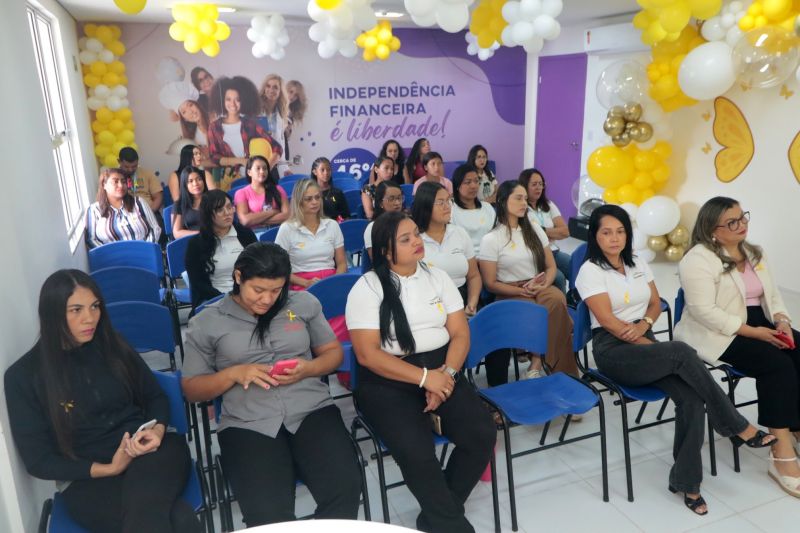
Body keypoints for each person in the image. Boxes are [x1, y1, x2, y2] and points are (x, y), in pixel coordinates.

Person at [576, 204, 777, 515]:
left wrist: (644, 325)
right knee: (682, 352)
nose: (615, 239)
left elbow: (657, 303)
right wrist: (644, 338)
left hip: (646, 342)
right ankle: (735, 425)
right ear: (595, 236)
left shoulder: (637, 261)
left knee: (692, 398)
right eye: (606, 232)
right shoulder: (590, 270)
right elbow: (609, 321)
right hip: (613, 351)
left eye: (620, 231)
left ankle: (687, 482)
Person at [4, 270, 201, 532]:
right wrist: (109, 468)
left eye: (95, 306)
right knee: (180, 518)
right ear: (51, 314)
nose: (90, 318)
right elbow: (39, 460)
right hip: (87, 476)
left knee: (149, 513)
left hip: (151, 453)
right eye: (76, 310)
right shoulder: (23, 376)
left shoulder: (113, 345)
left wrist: (157, 430)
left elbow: (155, 397)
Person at [182, 243, 362, 527]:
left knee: (345, 489)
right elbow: (191, 389)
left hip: (310, 409)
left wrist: (309, 369)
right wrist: (233, 374)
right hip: (248, 421)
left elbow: (334, 354)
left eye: (276, 290)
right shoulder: (207, 322)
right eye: (258, 290)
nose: (267, 299)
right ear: (239, 277)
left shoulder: (303, 304)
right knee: (268, 516)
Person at [345, 211, 496, 533]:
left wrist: (447, 374)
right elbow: (367, 354)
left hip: (443, 369)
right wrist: (427, 379)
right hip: (387, 381)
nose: (417, 241)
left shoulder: (437, 277)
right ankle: (452, 523)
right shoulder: (367, 288)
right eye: (406, 239)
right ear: (386, 251)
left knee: (482, 433)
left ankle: (437, 515)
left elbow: (460, 334)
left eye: (416, 234)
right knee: (417, 452)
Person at [675, 196, 800, 496]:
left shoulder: (754, 252)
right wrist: (754, 333)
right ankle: (780, 452)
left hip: (759, 321)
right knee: (777, 365)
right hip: (718, 332)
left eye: (742, 217)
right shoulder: (697, 259)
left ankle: (795, 424)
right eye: (732, 222)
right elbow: (704, 311)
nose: (742, 225)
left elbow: (772, 296)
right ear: (712, 229)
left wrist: (781, 320)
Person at [478, 181, 576, 385]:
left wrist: (544, 283)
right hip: (508, 290)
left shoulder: (535, 230)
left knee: (557, 298)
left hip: (538, 284)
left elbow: (551, 267)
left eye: (525, 198)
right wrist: (520, 291)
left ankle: (546, 367)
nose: (524, 203)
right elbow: (490, 283)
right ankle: (544, 363)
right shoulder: (492, 238)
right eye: (518, 198)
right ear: (503, 201)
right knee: (535, 311)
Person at [412, 182, 480, 317]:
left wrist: (472, 303)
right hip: (427, 303)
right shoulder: (414, 239)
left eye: (448, 200)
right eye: (440, 202)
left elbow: (474, 276)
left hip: (462, 299)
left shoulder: (459, 233)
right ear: (425, 206)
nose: (447, 206)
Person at [186, 190, 257, 309]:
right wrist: (226, 300)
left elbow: (258, 268)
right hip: (213, 299)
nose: (227, 213)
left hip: (246, 296)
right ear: (208, 214)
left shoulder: (246, 235)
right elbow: (198, 283)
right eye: (220, 210)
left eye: (229, 207)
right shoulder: (196, 244)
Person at [275, 179, 347, 290]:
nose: (314, 202)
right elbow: (278, 269)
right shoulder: (287, 229)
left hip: (331, 280)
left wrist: (334, 283)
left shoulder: (332, 225)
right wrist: (305, 283)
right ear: (299, 201)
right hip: (301, 284)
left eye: (317, 197)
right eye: (308, 199)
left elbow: (342, 263)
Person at [207, 76, 282, 176]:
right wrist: (241, 161)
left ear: (243, 101)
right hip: (229, 181)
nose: (232, 104)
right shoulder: (214, 127)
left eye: (237, 99)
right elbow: (214, 157)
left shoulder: (250, 124)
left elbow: (277, 147)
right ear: (222, 101)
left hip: (252, 180)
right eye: (228, 99)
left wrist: (266, 168)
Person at [519, 168, 571, 291]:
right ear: (524, 186)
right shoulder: (521, 207)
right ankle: (560, 305)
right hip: (536, 255)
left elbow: (565, 232)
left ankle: (574, 297)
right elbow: (530, 236)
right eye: (534, 184)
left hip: (553, 250)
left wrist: (542, 230)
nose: (538, 188)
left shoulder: (548, 204)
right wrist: (553, 232)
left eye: (541, 184)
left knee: (574, 265)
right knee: (558, 277)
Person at [85, 168, 161, 249]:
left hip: (144, 254)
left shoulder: (138, 202)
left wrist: (145, 249)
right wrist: (111, 255)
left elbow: (155, 228)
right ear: (104, 185)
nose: (121, 185)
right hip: (112, 259)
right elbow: (91, 240)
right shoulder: (94, 210)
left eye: (123, 181)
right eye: (115, 181)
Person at [450, 163, 497, 255]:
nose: (473, 186)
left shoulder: (487, 207)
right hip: (465, 259)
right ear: (457, 186)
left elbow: (497, 235)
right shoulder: (451, 209)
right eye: (468, 182)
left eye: (476, 181)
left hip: (490, 257)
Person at [234, 156, 289, 230]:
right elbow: (245, 220)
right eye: (258, 168)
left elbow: (287, 215)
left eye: (265, 168)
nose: (262, 171)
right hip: (255, 235)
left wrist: (256, 220)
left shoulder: (278, 189)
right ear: (249, 172)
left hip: (278, 231)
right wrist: (273, 211)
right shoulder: (241, 193)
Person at [258, 74, 290, 175]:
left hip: (275, 165)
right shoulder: (255, 110)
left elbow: (281, 145)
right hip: (258, 164)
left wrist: (285, 168)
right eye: (268, 86)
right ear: (264, 88)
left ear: (280, 92)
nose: (271, 90)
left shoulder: (281, 114)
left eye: (275, 87)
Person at [363, 181, 404, 259]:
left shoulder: (406, 223)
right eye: (391, 199)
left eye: (399, 198)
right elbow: (377, 261)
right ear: (380, 203)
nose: (397, 203)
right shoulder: (373, 228)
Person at [118, 147, 163, 213]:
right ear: (119, 162)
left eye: (134, 166)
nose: (130, 170)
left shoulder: (147, 174)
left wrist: (150, 213)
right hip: (126, 214)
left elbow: (158, 197)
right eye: (126, 167)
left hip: (148, 212)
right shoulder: (114, 177)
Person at [171, 166, 208, 239]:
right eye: (190, 181)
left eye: (199, 179)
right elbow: (177, 232)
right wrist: (199, 234)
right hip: (192, 241)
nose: (196, 184)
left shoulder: (212, 199)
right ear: (185, 185)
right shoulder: (179, 204)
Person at [311, 157, 350, 221]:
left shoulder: (338, 193)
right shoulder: (309, 193)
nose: (326, 173)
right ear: (315, 172)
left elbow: (346, 216)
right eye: (322, 170)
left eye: (328, 170)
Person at [362, 155, 395, 220]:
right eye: (386, 168)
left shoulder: (394, 188)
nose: (390, 171)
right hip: (376, 223)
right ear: (376, 169)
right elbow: (369, 214)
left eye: (392, 169)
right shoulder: (368, 189)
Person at [284, 80, 307, 160]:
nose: (292, 96)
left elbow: (287, 136)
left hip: (283, 148)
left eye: (296, 95)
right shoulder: (274, 106)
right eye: (290, 92)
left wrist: (288, 130)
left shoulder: (291, 112)